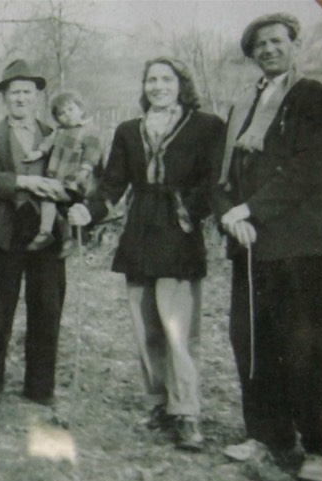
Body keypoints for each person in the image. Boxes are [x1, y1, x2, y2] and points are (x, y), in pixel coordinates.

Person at [82, 57, 224, 450]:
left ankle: (187, 411)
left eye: (166, 79)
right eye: (151, 80)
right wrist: (89, 212)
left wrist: (187, 212)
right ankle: (161, 402)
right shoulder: (129, 130)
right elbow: (113, 184)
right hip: (140, 231)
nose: (158, 86)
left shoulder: (207, 126)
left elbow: (212, 182)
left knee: (179, 329)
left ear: (182, 84)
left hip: (179, 233)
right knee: (146, 327)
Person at [214, 13, 322, 481]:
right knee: (251, 341)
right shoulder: (244, 102)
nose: (269, 50)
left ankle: (318, 446)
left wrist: (252, 210)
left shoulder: (313, 96)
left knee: (304, 346)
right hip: (249, 245)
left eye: (277, 41)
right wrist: (230, 214)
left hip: (298, 244)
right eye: (260, 45)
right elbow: (223, 172)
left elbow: (309, 167)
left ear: (292, 44)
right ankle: (266, 434)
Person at [0, 59, 81, 406]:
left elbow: (79, 177)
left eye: (27, 92)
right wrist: (23, 181)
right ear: (3, 97)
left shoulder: (57, 134)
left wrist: (69, 193)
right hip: (4, 231)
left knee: (47, 307)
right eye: (14, 92)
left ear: (37, 97)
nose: (21, 98)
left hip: (48, 232)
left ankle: (40, 386)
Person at [23, 91, 102, 256]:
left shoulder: (88, 131)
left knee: (56, 201)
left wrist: (85, 169)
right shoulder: (59, 131)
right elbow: (47, 144)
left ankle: (47, 233)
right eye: (61, 113)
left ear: (81, 109)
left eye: (71, 109)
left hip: (74, 179)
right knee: (58, 208)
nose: (67, 115)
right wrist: (37, 153)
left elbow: (92, 152)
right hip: (58, 177)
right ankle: (66, 239)